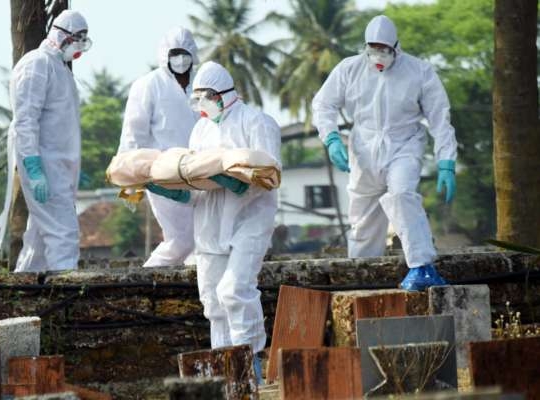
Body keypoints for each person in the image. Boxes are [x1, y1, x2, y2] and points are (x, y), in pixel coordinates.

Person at [149, 61, 281, 384]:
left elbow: (269, 173)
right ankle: (224, 376)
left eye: (204, 97)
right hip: (209, 224)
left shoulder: (257, 122)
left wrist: (238, 182)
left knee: (235, 291)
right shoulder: (201, 130)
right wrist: (176, 192)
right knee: (213, 301)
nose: (200, 105)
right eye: (195, 99)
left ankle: (250, 368)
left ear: (221, 94)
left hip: (249, 220)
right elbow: (197, 182)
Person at [312, 15, 457, 291]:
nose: (378, 55)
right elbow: (323, 104)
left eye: (384, 49)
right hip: (363, 148)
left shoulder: (419, 71)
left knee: (402, 195)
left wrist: (446, 161)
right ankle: (361, 279)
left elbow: (440, 117)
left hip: (404, 144)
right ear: (365, 46)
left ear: (396, 47)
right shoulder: (349, 69)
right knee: (363, 222)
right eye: (373, 48)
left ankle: (422, 267)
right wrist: (331, 138)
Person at [8, 10, 91, 272]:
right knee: (63, 236)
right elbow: (25, 120)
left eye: (83, 40)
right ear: (61, 35)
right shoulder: (37, 64)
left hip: (59, 168)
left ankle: (21, 290)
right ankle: (66, 293)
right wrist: (33, 167)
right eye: (77, 39)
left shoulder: (60, 70)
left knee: (39, 244)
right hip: (44, 166)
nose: (79, 46)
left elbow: (62, 127)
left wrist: (72, 166)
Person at [117, 26, 199, 267]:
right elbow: (133, 133)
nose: (181, 59)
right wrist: (131, 179)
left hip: (201, 173)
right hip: (164, 175)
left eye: (185, 53)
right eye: (175, 54)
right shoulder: (148, 85)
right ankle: (144, 281)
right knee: (180, 240)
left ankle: (192, 286)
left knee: (203, 239)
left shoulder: (201, 83)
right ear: (165, 55)